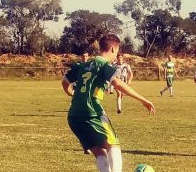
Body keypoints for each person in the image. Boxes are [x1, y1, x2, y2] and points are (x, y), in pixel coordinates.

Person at [61, 34, 155, 172]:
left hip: (74, 116)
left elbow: (65, 81)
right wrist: (143, 99)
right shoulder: (104, 65)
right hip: (92, 111)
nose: (116, 55)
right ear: (112, 49)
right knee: (113, 144)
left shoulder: (83, 65)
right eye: (117, 51)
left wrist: (72, 93)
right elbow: (118, 84)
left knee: (100, 152)